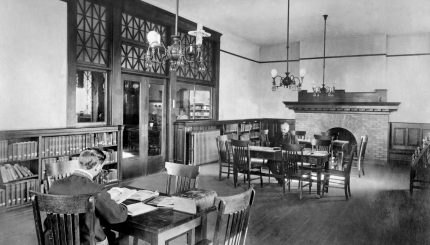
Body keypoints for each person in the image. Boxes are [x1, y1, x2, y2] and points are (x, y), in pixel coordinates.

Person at [47, 148, 128, 245]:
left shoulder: (55, 185)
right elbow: (117, 215)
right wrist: (123, 206)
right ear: (97, 167)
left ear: (79, 163)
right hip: (86, 241)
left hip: (56, 239)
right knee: (121, 236)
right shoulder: (95, 189)